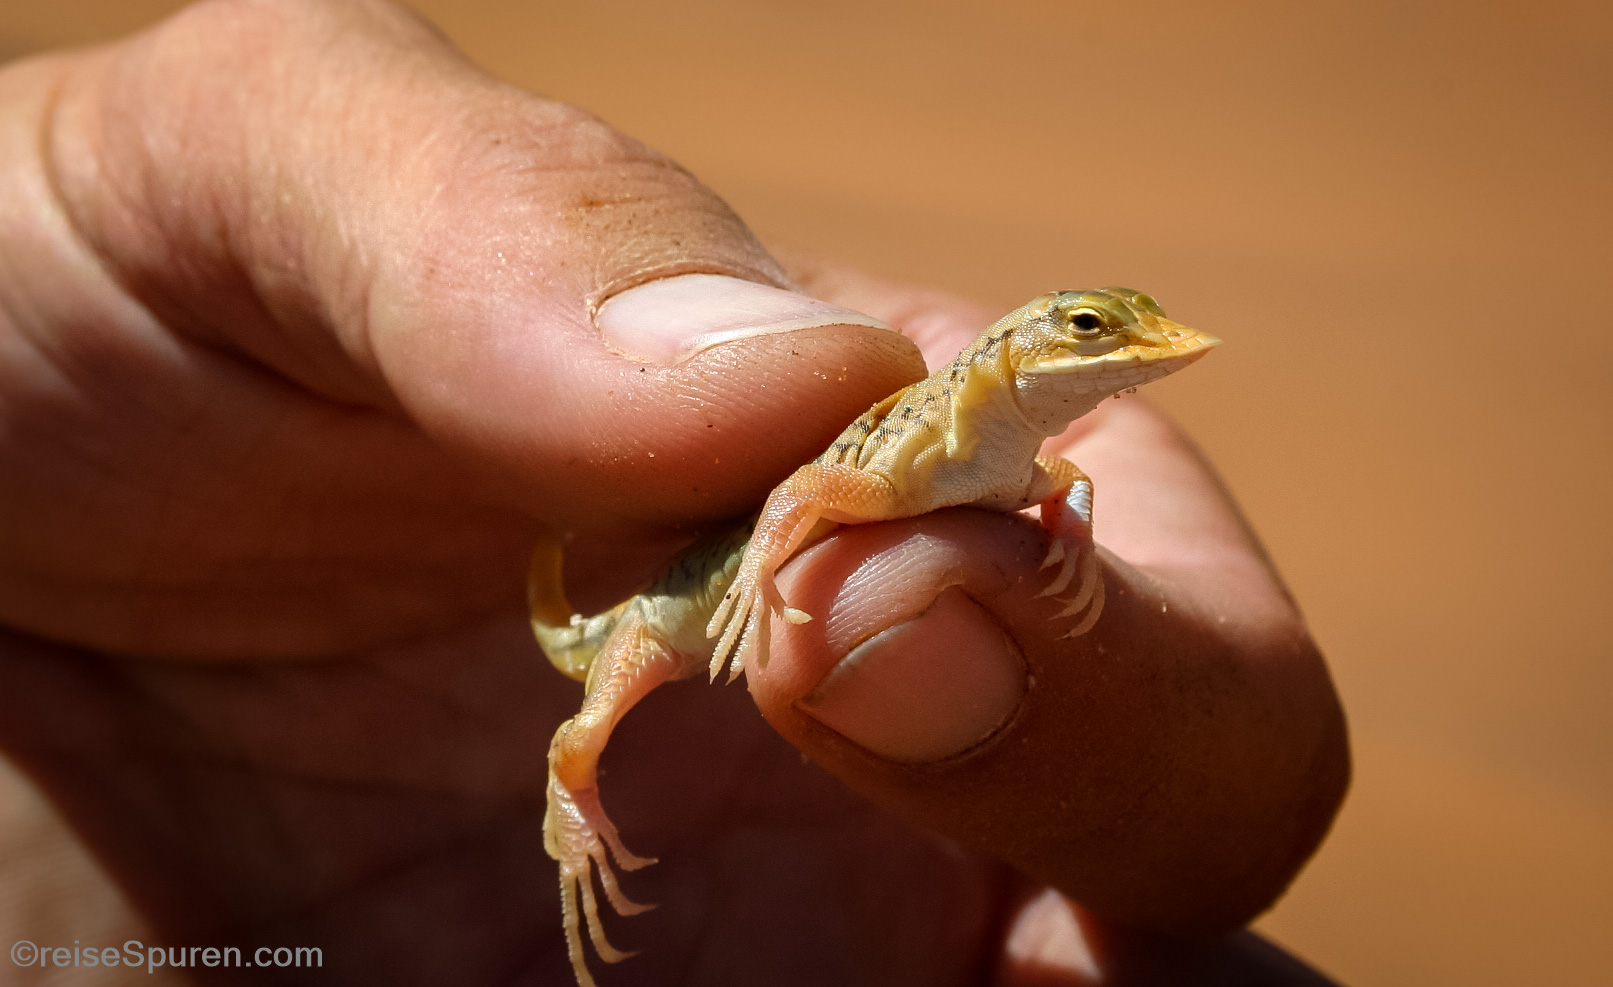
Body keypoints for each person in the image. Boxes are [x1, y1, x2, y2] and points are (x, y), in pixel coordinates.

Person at [0, 1, 1348, 982]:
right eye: (1091, 332)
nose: (1120, 355)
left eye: (1107, 338)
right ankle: (565, 816)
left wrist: (1066, 526)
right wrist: (762, 571)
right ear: (1010, 353)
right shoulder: (921, 438)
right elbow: (823, 488)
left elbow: (1049, 483)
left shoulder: (1005, 455)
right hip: (658, 614)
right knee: (598, 715)